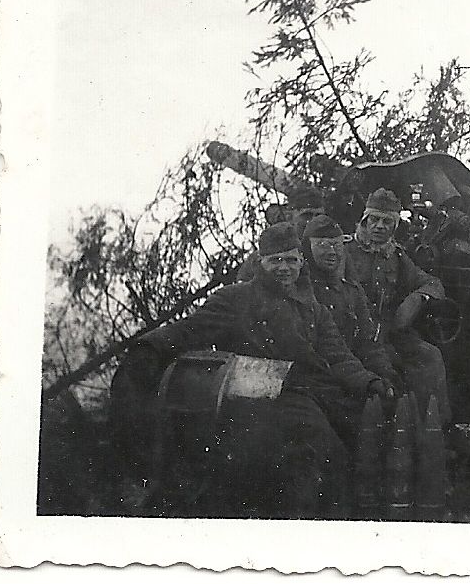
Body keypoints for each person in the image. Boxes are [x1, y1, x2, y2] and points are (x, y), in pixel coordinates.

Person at [110, 222, 392, 518]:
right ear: (261, 263)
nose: (284, 268)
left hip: (311, 391)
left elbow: (338, 356)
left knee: (360, 435)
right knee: (315, 448)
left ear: (301, 263)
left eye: (291, 260)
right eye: (276, 261)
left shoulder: (313, 308)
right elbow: (191, 329)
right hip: (257, 397)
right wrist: (150, 348)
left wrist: (369, 381)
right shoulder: (236, 299)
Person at [343, 187, 452, 426]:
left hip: (389, 336)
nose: (380, 226)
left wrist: (417, 299)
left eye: (387, 221)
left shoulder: (398, 258)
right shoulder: (344, 251)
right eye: (374, 219)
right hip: (352, 336)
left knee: (429, 356)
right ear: (364, 220)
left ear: (395, 226)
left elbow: (433, 284)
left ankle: (434, 429)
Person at [301, 214, 401, 388]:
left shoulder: (350, 290)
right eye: (322, 245)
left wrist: (385, 372)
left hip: (352, 372)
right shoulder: (302, 291)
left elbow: (367, 341)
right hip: (320, 377)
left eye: (336, 244)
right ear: (307, 249)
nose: (332, 251)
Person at [237, 187, 326, 282]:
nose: (313, 221)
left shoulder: (332, 252)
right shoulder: (266, 256)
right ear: (290, 217)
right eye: (306, 216)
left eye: (318, 216)